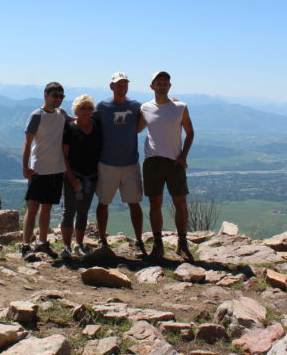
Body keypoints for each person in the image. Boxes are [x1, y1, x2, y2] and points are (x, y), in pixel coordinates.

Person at [138, 71, 195, 261]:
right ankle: (158, 244)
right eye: (158, 83)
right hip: (152, 161)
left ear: (169, 86)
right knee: (155, 204)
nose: (162, 85)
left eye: (165, 83)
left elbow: (190, 132)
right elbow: (134, 128)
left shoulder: (180, 107)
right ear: (152, 86)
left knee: (180, 203)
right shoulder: (145, 108)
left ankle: (183, 242)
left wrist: (183, 155)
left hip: (174, 161)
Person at [93, 72, 147, 257]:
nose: (121, 87)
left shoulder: (135, 106)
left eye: (124, 84)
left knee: (135, 203)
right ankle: (102, 239)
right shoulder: (102, 106)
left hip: (130, 163)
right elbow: (90, 123)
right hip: (107, 163)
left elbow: (151, 113)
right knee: (103, 202)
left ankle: (139, 240)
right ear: (111, 86)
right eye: (118, 84)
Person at [21, 82, 70, 259]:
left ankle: (42, 242)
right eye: (55, 95)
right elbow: (27, 142)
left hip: (56, 169)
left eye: (61, 96)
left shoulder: (61, 114)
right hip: (39, 169)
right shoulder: (37, 115)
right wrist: (25, 166)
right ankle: (25, 245)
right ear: (45, 95)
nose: (58, 99)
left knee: (47, 208)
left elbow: (74, 120)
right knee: (33, 207)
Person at [61, 94, 102, 258]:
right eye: (82, 108)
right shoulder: (70, 128)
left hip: (91, 177)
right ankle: (66, 247)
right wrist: (71, 178)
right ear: (76, 110)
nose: (86, 111)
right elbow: (64, 154)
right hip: (73, 175)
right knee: (68, 211)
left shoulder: (97, 127)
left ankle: (78, 245)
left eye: (89, 108)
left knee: (83, 212)